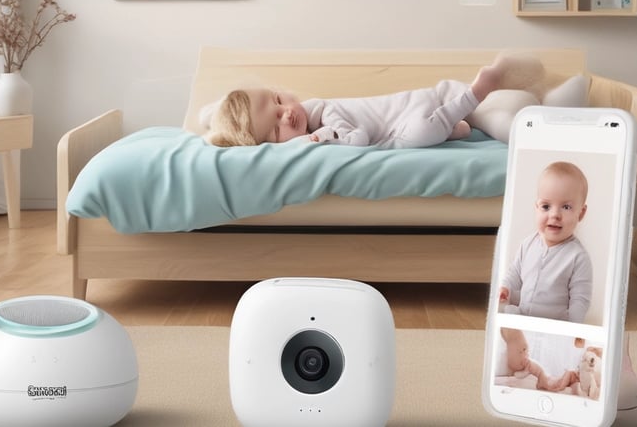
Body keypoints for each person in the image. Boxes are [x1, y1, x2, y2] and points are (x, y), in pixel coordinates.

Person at [203, 54, 545, 149]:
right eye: (276, 131)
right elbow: (226, 119)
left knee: (420, 135)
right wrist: (214, 120)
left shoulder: (328, 114)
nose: (287, 115)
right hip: (423, 102)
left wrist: (323, 137)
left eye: (278, 101)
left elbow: (360, 139)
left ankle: (478, 92)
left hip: (417, 112)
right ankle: (550, 99)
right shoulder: (317, 116)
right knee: (491, 116)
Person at [499, 161, 592, 323]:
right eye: (546, 206)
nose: (555, 214)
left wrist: (572, 328)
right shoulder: (528, 244)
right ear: (537, 207)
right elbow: (514, 273)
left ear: (581, 213)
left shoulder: (578, 257)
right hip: (523, 318)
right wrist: (505, 287)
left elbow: (580, 300)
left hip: (554, 324)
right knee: (506, 318)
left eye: (566, 207)